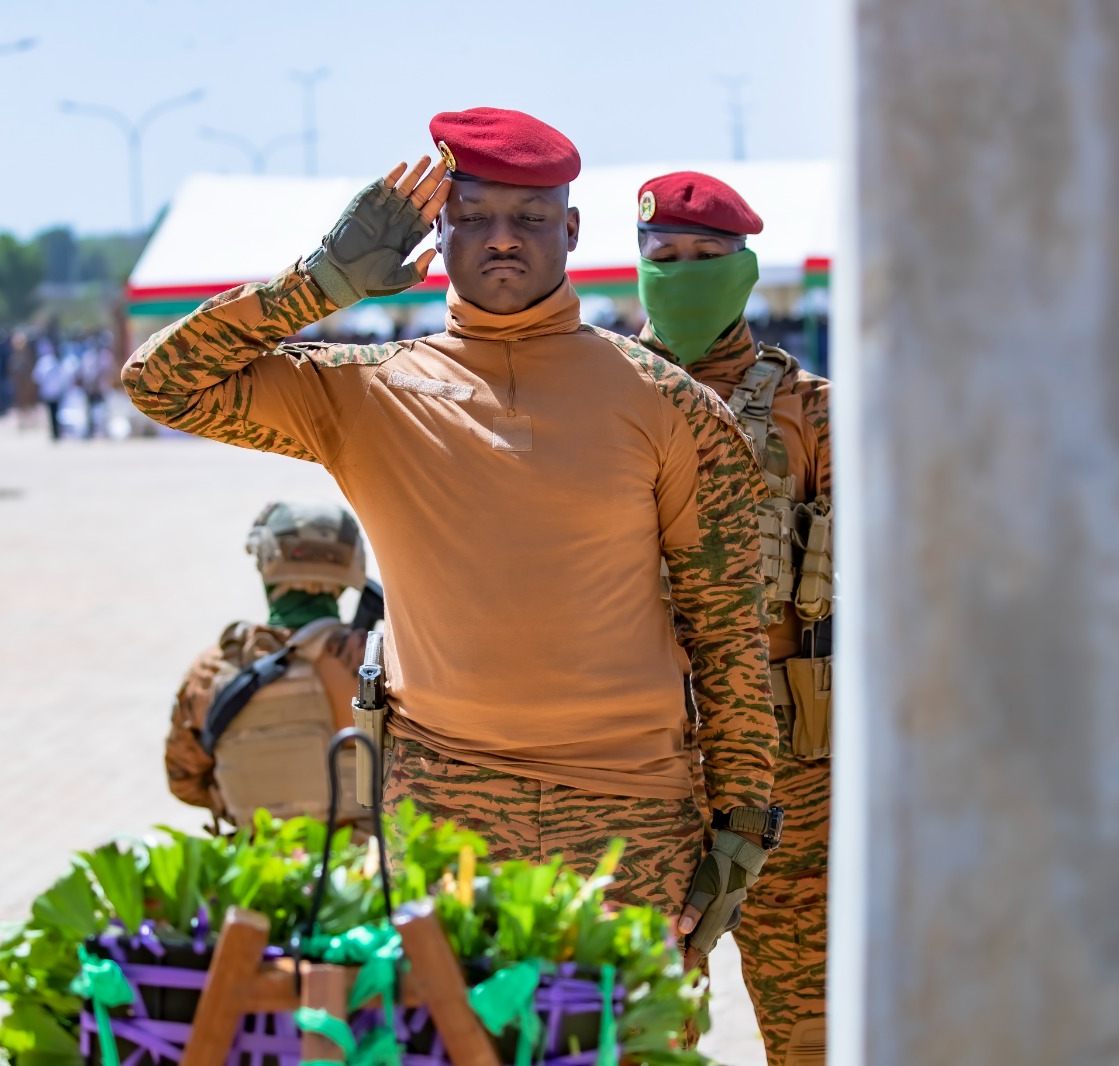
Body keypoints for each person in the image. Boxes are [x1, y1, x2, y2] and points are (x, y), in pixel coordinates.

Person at [123, 108, 779, 957]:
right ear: (438, 228)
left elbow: (727, 633)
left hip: (631, 823)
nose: (502, 239)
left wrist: (739, 828)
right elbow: (161, 384)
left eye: (531, 218)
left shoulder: (672, 408)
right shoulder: (368, 394)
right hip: (441, 814)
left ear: (571, 230)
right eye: (473, 216)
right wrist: (320, 282)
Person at [633, 171, 834, 1063]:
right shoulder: (594, 397)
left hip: (796, 776)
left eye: (707, 258)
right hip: (639, 766)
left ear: (746, 269)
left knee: (813, 1028)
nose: (683, 274)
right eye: (664, 259)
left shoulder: (814, 412)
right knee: (644, 1029)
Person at [165, 502, 375, 829]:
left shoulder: (216, 670)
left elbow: (184, 779)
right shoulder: (377, 665)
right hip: (366, 870)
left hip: (260, 869)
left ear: (267, 561)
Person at [31, 339, 73, 441]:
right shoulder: (53, 360)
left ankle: (55, 432)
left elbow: (36, 377)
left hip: (50, 392)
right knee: (55, 413)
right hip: (54, 392)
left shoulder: (43, 361)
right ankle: (56, 432)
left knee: (52, 413)